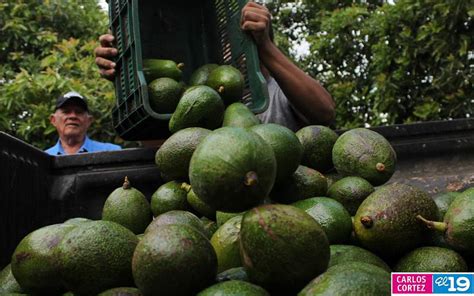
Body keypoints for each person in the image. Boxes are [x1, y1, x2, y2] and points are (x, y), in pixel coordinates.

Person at [94, 2, 335, 131]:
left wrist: (266, 46)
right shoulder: (207, 102)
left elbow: (324, 112)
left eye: (242, 40)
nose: (231, 50)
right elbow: (162, 149)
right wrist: (128, 75)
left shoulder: (278, 93)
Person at [45, 91, 122, 155]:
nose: (73, 116)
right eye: (66, 112)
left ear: (89, 121)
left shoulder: (111, 152)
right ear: (53, 120)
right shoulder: (42, 159)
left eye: (79, 112)